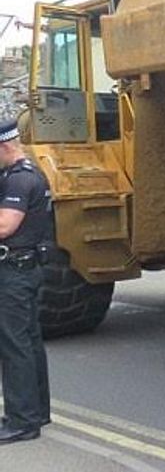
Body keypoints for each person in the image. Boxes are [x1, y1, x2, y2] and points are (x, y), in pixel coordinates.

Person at [0, 118, 51, 444]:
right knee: (30, 342)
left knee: (14, 344)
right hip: (27, 268)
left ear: (4, 147)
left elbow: (5, 226)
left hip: (14, 272)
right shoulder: (29, 173)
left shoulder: (19, 181)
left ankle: (22, 420)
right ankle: (37, 410)